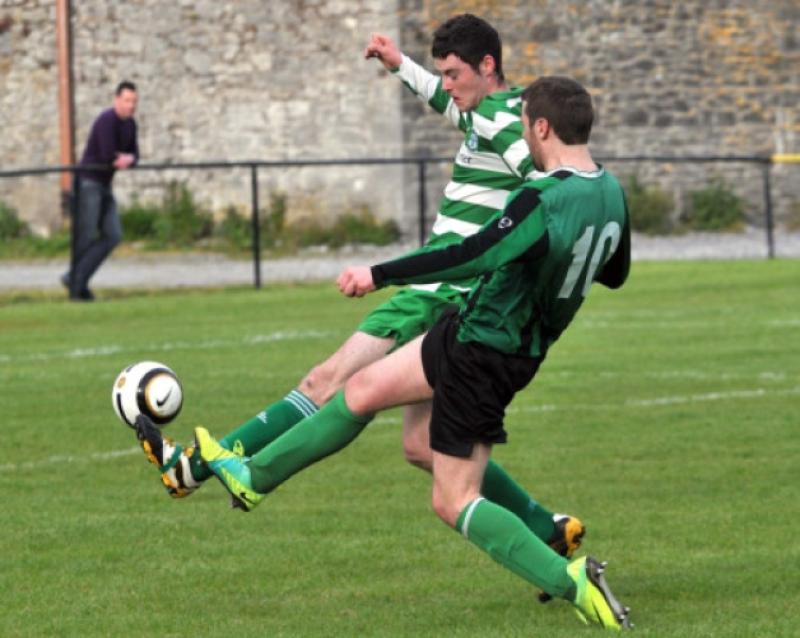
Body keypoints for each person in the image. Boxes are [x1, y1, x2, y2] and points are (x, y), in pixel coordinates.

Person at [135, 14, 585, 567]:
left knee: (325, 381)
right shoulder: (491, 109)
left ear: (486, 67)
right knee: (421, 446)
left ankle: (194, 470)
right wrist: (402, 66)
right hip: (452, 294)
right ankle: (545, 527)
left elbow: (539, 173)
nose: (446, 85)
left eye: (453, 74)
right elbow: (453, 108)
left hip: (435, 289)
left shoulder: (499, 121)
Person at [195, 76, 633, 630]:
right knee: (363, 390)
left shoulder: (542, 198)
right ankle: (253, 477)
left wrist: (379, 273)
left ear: (541, 127)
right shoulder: (612, 192)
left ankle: (568, 579)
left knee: (453, 500)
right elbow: (614, 273)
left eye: (525, 123)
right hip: (480, 333)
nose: (523, 131)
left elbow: (471, 254)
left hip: (486, 351)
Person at [63, 81, 139, 301]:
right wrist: (122, 159)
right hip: (88, 182)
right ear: (117, 100)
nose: (131, 105)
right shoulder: (107, 121)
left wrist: (128, 159)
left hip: (104, 185)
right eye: (127, 100)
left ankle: (76, 278)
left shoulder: (131, 125)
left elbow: (134, 155)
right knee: (86, 236)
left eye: (134, 101)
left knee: (113, 235)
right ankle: (77, 287)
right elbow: (107, 155)